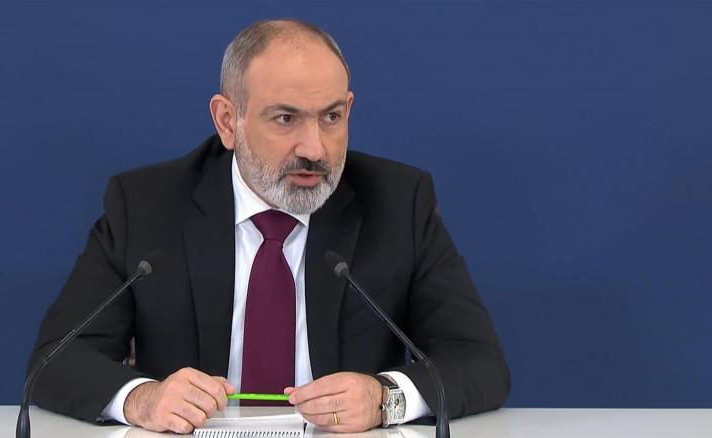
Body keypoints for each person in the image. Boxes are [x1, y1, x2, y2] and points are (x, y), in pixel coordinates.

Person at [28, 19, 510, 434]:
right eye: (285, 118)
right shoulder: (146, 205)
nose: (315, 149)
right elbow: (56, 361)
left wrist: (386, 399)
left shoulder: (399, 202)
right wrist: (142, 400)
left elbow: (479, 361)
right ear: (227, 121)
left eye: (332, 117)